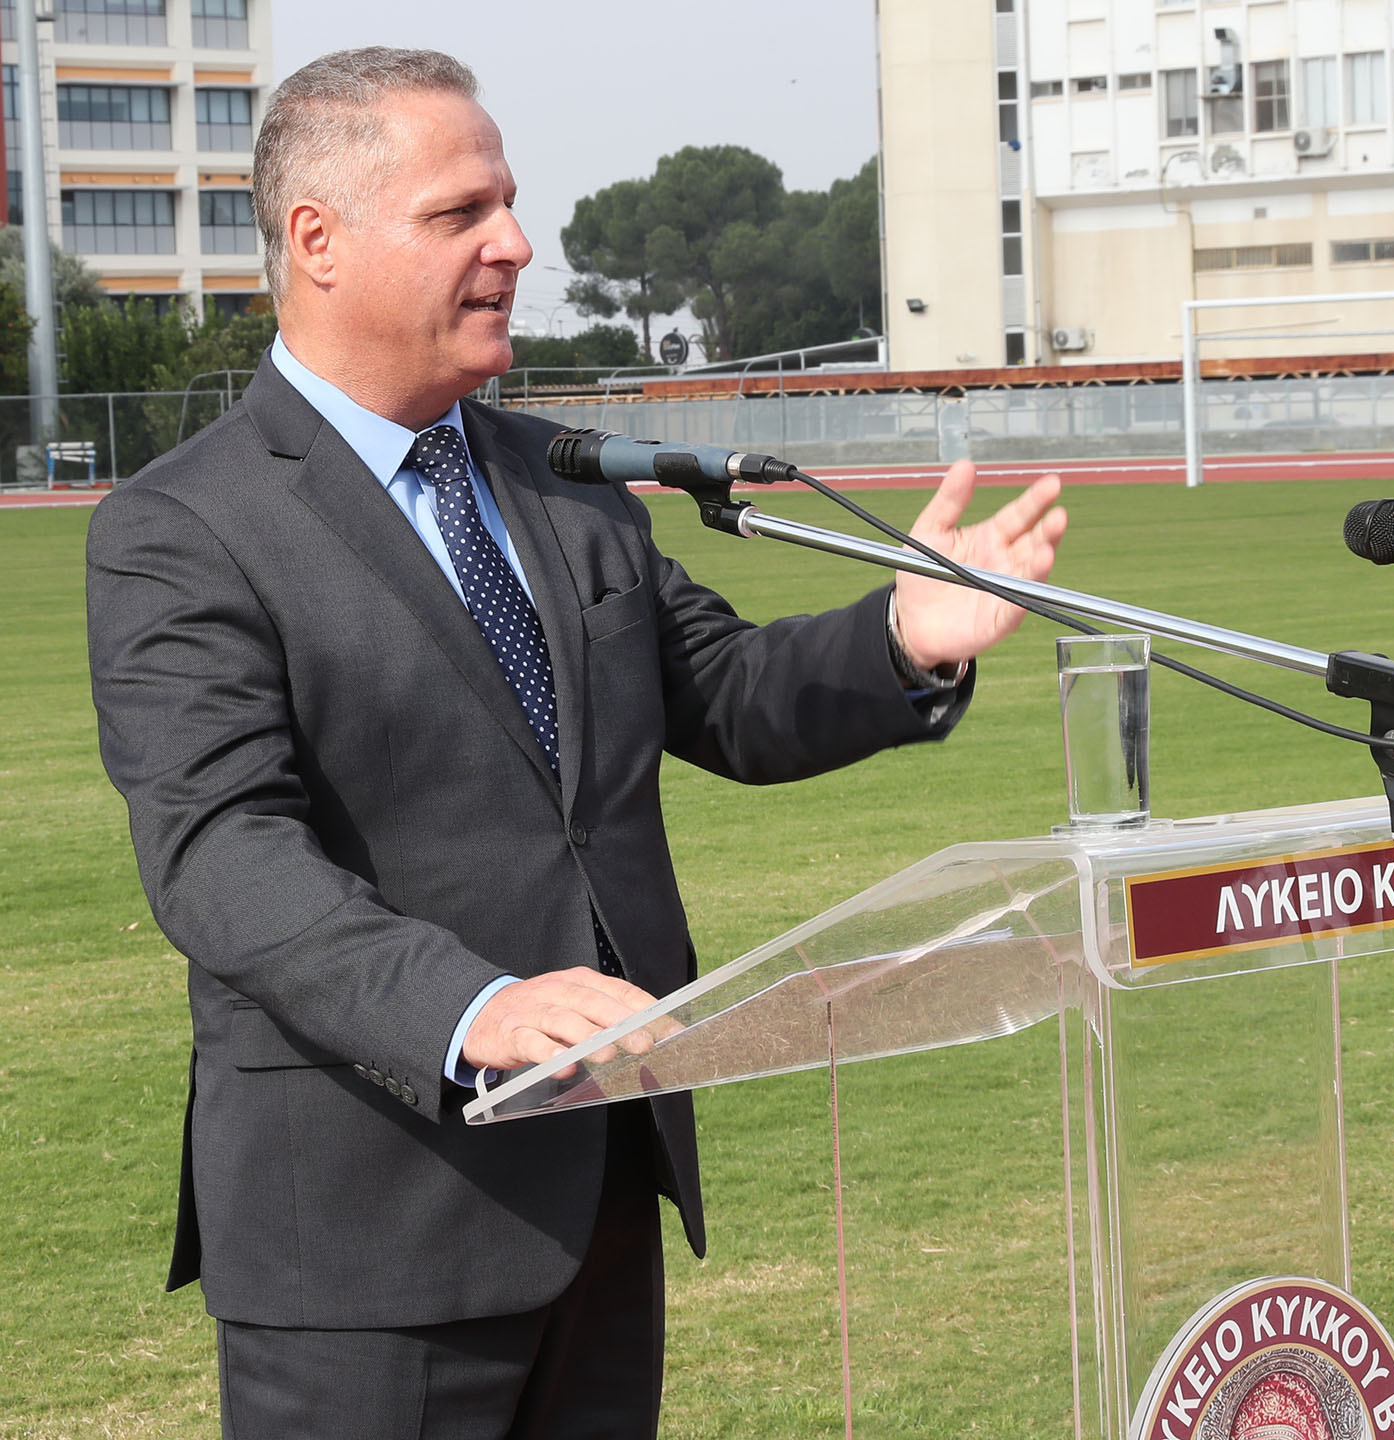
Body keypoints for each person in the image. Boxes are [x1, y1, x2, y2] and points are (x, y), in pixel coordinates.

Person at [86, 46, 1066, 1439]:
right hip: (366, 1241)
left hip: (601, 1194)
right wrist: (472, 1008)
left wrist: (902, 638)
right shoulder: (185, 528)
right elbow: (220, 854)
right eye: (460, 213)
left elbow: (721, 691)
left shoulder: (563, 480)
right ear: (318, 240)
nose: (516, 244)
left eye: (511, 203)